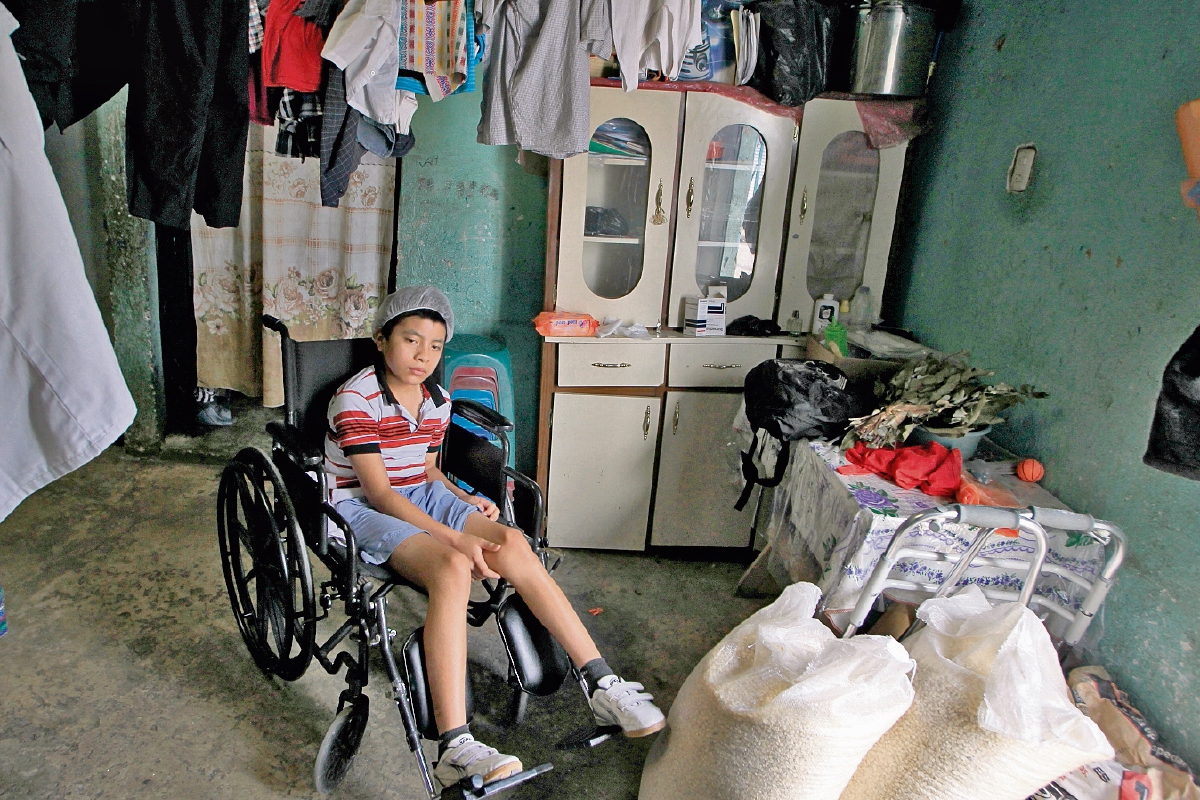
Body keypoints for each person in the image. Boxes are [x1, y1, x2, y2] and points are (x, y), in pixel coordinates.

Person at [323, 286, 665, 790]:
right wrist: (454, 540)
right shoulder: (355, 398)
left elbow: (425, 473)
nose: (423, 356)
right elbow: (380, 492)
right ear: (381, 339)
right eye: (411, 340)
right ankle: (455, 746)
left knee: (514, 545)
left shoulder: (437, 401)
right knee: (451, 567)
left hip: (417, 493)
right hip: (360, 504)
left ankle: (601, 682)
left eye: (436, 346)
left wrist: (462, 503)